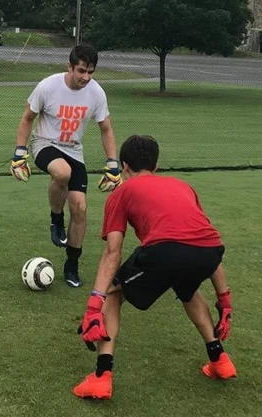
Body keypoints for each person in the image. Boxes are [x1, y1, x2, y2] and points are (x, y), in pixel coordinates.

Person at [72, 134, 236, 400]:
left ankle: (101, 377)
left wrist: (94, 305)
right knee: (187, 287)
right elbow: (206, 239)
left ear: (124, 166)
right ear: (156, 167)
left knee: (114, 291)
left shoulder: (122, 191)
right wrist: (224, 300)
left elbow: (113, 252)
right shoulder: (184, 186)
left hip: (166, 250)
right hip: (210, 253)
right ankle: (219, 360)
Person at [10, 44, 121, 288]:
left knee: (80, 208)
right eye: (81, 70)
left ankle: (72, 265)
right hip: (44, 145)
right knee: (62, 172)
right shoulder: (48, 86)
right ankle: (56, 218)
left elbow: (106, 128)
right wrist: (19, 152)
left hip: (74, 151)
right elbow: (27, 117)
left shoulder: (96, 93)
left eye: (90, 72)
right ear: (69, 66)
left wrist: (113, 164)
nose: (86, 77)